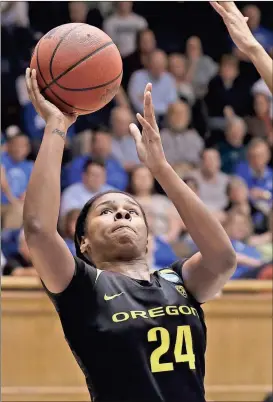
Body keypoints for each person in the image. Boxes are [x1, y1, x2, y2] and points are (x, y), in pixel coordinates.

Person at [24, 69, 236, 402]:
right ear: (83, 242)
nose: (122, 213)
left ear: (148, 238)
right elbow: (38, 230)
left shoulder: (177, 279)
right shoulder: (82, 287)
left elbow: (223, 258)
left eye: (132, 211)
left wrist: (161, 168)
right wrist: (56, 126)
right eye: (106, 211)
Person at [210, 2, 272, 93]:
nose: (252, 18)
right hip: (244, 71)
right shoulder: (236, 33)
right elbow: (236, 53)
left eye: (254, 15)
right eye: (249, 15)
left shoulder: (267, 34)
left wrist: (253, 51)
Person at [128, 165, 182, 243]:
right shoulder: (126, 201)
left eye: (147, 176)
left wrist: (164, 240)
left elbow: (175, 225)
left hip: (163, 242)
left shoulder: (163, 201)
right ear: (132, 180)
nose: (143, 180)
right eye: (139, 176)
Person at [62, 128, 129, 191]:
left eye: (106, 141)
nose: (103, 145)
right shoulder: (78, 163)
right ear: (92, 143)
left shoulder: (116, 164)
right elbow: (73, 183)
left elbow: (122, 184)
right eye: (100, 141)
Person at [128, 49, 178, 120]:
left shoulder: (169, 79)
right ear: (149, 63)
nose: (158, 67)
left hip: (164, 118)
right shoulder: (137, 76)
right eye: (155, 64)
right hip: (141, 116)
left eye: (161, 64)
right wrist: (160, 108)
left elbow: (172, 104)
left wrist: (152, 108)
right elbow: (137, 103)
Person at [1, 132, 33, 229]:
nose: (19, 149)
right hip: (5, 202)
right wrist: (13, 200)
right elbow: (3, 182)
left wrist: (26, 195)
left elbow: (32, 188)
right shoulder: (2, 160)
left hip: (16, 207)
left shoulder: (30, 166)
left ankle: (8, 240)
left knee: (20, 210)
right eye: (16, 145)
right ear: (9, 146)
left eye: (23, 146)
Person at [110, 106, 140, 171]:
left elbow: (139, 163)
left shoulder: (135, 141)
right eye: (119, 122)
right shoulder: (106, 141)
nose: (122, 126)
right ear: (112, 122)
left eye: (126, 123)